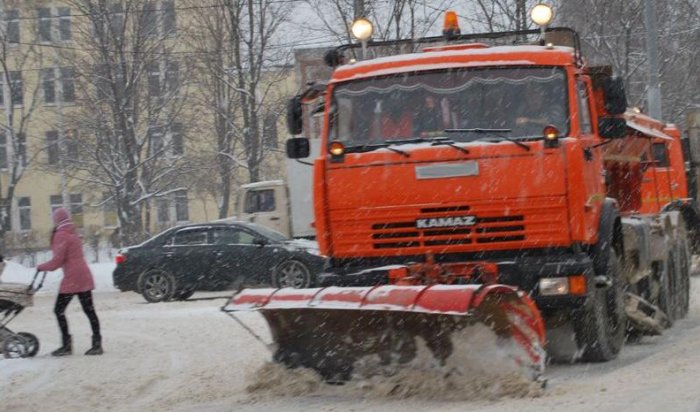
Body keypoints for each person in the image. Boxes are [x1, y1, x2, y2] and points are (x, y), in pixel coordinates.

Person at [37, 207, 103, 356]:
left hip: (72, 278)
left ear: (56, 220)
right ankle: (97, 344)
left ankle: (66, 345)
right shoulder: (74, 233)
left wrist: (41, 267)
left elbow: (56, 262)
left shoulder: (61, 235)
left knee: (58, 310)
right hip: (84, 275)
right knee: (90, 311)